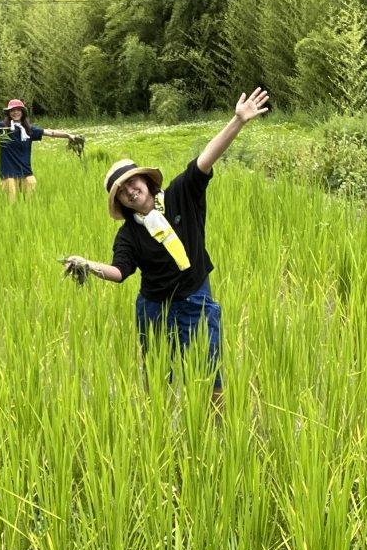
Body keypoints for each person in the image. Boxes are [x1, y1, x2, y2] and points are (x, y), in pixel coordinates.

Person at [61, 87, 271, 406]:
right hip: (154, 308)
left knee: (209, 371)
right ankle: (162, 431)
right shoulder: (128, 234)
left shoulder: (179, 195)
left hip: (195, 298)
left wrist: (238, 121)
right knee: (158, 378)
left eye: (133, 183)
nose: (131, 191)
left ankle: (216, 430)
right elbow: (120, 272)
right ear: (119, 201)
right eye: (122, 192)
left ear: (146, 181)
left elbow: (205, 159)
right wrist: (86, 265)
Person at [0, 100, 83, 203]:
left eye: (18, 110)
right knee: (11, 204)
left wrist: (68, 135)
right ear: (9, 113)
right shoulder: (4, 128)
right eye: (12, 110)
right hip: (8, 174)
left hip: (26, 173)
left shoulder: (30, 130)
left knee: (30, 204)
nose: (15, 112)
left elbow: (50, 133)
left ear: (22, 112)